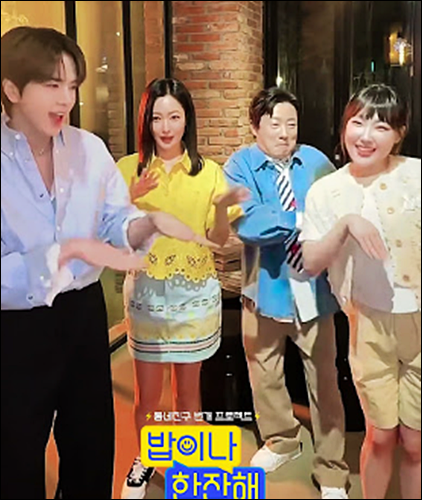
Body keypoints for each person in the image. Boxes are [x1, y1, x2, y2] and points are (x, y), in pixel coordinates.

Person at [1, 27, 216, 500]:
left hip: (82, 315)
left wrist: (143, 225)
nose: (67, 99)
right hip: (15, 328)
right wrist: (66, 254)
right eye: (52, 85)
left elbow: (115, 218)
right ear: (12, 88)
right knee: (15, 455)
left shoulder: (89, 148)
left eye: (73, 85)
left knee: (91, 447)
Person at [117, 78, 246, 499]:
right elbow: (112, 235)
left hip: (194, 296)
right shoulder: (127, 168)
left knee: (188, 396)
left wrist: (223, 208)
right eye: (157, 118)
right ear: (146, 121)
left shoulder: (209, 172)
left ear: (187, 119)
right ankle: (145, 459)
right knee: (147, 396)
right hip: (147, 295)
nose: (166, 127)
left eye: (174, 116)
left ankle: (188, 474)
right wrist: (129, 199)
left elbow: (219, 238)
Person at [224, 87, 349, 499]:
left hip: (314, 289)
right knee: (264, 372)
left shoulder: (316, 162)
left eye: (291, 124)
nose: (284, 132)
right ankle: (281, 439)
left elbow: (339, 211)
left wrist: (298, 219)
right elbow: (247, 223)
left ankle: (332, 469)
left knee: (325, 382)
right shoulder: (239, 165)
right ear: (255, 125)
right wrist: (301, 218)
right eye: (274, 123)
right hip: (265, 289)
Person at [301, 83, 421, 499]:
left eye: (381, 127)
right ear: (344, 126)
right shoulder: (327, 191)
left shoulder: (417, 175)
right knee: (381, 434)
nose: (366, 136)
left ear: (399, 134)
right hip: (368, 324)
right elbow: (310, 261)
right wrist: (346, 223)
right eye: (357, 123)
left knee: (416, 441)